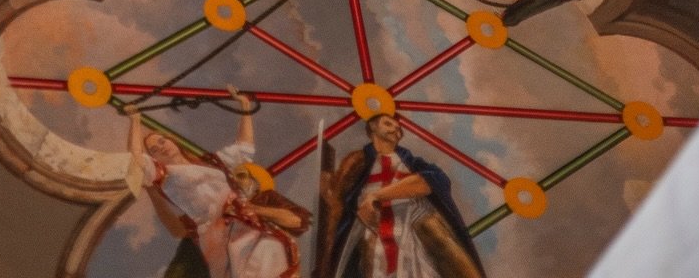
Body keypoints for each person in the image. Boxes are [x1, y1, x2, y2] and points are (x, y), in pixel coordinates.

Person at [129, 97, 310, 278]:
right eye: (154, 150)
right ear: (154, 158)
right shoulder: (165, 176)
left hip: (241, 216)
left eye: (162, 141)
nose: (162, 148)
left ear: (172, 140)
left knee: (272, 247)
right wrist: (135, 121)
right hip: (216, 227)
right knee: (246, 263)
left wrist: (245, 107)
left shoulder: (212, 162)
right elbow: (137, 158)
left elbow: (244, 147)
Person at [319, 114, 484, 278]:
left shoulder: (412, 164)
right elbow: (342, 202)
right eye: (388, 124)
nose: (396, 128)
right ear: (372, 128)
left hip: (412, 236)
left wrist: (375, 196)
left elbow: (430, 181)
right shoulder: (357, 167)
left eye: (398, 127)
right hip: (372, 242)